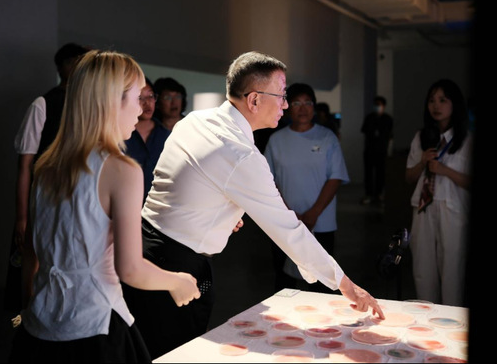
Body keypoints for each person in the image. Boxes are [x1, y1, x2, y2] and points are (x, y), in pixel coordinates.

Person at [122, 51, 384, 360]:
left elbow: (176, 184)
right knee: (173, 353)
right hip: (177, 265)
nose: (285, 105)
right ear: (255, 100)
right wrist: (346, 284)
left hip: (144, 248)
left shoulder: (195, 120)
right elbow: (288, 230)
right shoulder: (241, 154)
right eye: (282, 95)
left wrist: (218, 216)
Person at [8, 50, 200, 363]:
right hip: (95, 328)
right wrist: (178, 282)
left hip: (38, 328)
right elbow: (131, 269)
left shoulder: (47, 166)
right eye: (137, 98)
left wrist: (29, 307)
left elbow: (32, 252)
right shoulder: (122, 170)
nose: (141, 109)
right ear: (112, 101)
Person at [5, 42, 91, 313]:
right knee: (33, 261)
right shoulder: (44, 104)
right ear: (62, 67)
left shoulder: (89, 104)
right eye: (75, 62)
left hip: (77, 201)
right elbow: (25, 165)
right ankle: (29, 315)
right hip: (44, 200)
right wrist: (22, 217)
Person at [264, 83, 349, 294]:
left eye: (308, 103)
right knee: (284, 283)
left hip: (321, 223)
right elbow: (267, 180)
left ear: (314, 106)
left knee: (324, 283)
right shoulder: (276, 140)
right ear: (287, 107)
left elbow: (335, 177)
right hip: (285, 224)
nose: (303, 108)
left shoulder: (327, 137)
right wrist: (289, 214)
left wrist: (313, 213)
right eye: (296, 103)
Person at [405, 79, 472, 307]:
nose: (436, 106)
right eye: (432, 100)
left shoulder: (466, 140)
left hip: (453, 209)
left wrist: (445, 170)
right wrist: (423, 162)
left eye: (443, 100)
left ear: (455, 104)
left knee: (452, 268)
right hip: (423, 206)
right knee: (422, 267)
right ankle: (426, 317)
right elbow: (409, 177)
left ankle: (451, 320)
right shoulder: (421, 137)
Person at [125, 77, 171, 201]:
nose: (147, 103)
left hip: (157, 204)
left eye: (151, 96)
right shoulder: (121, 135)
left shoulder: (166, 136)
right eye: (140, 97)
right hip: (126, 200)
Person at [360, 96, 393, 206]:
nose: (377, 106)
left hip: (382, 151)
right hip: (369, 150)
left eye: (379, 104)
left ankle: (379, 193)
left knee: (381, 174)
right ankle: (369, 194)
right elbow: (365, 131)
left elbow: (390, 134)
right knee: (368, 174)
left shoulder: (387, 119)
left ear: (384, 106)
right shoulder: (369, 118)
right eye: (375, 104)